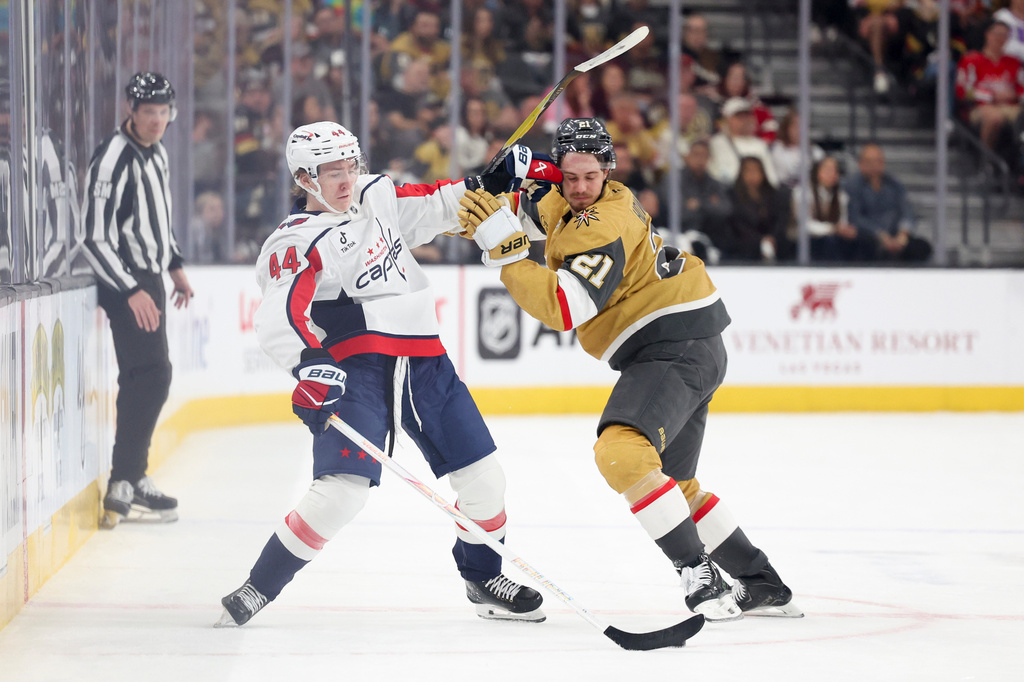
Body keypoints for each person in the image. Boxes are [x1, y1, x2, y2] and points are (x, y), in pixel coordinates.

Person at [455, 118, 801, 621]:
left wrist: (506, 254)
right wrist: (489, 188)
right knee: (673, 486)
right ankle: (761, 581)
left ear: (608, 172)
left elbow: (564, 307)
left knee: (621, 454)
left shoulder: (604, 224)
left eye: (590, 177)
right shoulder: (569, 198)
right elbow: (521, 212)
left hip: (674, 345)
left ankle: (697, 572)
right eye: (570, 177)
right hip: (690, 341)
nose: (580, 188)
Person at [216, 121, 552, 627]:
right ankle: (256, 588)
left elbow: (435, 204)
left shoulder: (376, 195)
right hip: (360, 369)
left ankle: (483, 580)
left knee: (486, 481)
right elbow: (281, 313)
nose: (346, 179)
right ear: (304, 179)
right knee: (341, 491)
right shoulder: (295, 241)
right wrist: (310, 364)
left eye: (351, 166)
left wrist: (486, 184)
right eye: (332, 172)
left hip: (425, 360)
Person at [82, 72, 194, 528]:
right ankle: (125, 479)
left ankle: (130, 477)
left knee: (142, 376)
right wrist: (130, 290)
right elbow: (93, 238)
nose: (157, 121)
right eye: (149, 112)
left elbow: (159, 219)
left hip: (148, 278)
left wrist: (174, 266)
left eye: (164, 112)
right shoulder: (112, 158)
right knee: (152, 374)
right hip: (124, 281)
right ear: (131, 110)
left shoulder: (157, 152)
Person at [845, 143, 932, 262]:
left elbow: (907, 210)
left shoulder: (894, 184)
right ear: (861, 164)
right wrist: (880, 235)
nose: (875, 165)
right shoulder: (853, 186)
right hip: (870, 237)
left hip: (895, 235)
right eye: (870, 162)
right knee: (864, 245)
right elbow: (855, 218)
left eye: (878, 161)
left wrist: (903, 234)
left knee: (921, 247)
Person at [955, 19, 1024, 153]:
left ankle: (1019, 157)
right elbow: (963, 91)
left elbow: (1021, 87)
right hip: (980, 107)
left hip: (1011, 106)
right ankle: (987, 159)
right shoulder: (971, 60)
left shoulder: (1013, 62)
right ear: (987, 34)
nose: (1000, 38)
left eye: (1004, 35)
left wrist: (1016, 95)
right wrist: (992, 96)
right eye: (997, 34)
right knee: (994, 118)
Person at [797, 156, 877, 262]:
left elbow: (842, 222)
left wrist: (846, 230)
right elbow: (805, 225)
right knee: (829, 241)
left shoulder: (841, 196)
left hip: (833, 237)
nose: (833, 174)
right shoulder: (803, 193)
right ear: (817, 172)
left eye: (835, 170)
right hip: (809, 240)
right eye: (828, 170)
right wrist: (832, 228)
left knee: (864, 240)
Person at [719, 156, 793, 262]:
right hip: (742, 247)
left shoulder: (773, 196)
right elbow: (736, 223)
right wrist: (759, 240)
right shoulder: (732, 196)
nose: (752, 175)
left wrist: (771, 237)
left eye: (756, 170)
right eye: (748, 170)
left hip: (773, 245)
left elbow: (780, 221)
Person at [708, 97, 779, 188]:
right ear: (727, 120)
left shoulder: (759, 144)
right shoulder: (716, 143)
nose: (744, 120)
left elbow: (771, 177)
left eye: (746, 116)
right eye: (739, 117)